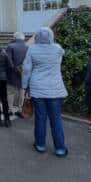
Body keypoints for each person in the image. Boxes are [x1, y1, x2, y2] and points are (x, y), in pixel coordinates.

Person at [22, 27, 68, 157]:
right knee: (56, 118)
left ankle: (40, 145)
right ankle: (60, 148)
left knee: (40, 118)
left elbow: (26, 70)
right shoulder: (58, 49)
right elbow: (60, 58)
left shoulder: (32, 49)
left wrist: (25, 86)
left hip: (37, 88)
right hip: (55, 88)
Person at [6, 32, 28, 118]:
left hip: (12, 73)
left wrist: (15, 68)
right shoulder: (27, 47)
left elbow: (8, 60)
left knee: (10, 92)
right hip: (24, 73)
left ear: (14, 38)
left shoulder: (10, 46)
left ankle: (10, 110)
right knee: (22, 92)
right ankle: (20, 110)